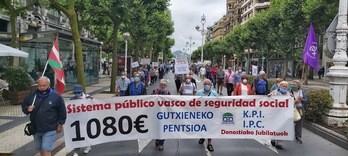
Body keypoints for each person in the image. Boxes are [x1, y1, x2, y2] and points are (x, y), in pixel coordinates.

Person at [21, 76, 67, 156]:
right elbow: (24, 107)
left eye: (44, 85)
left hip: (50, 127)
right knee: (40, 147)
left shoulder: (56, 97)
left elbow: (62, 111)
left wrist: (60, 124)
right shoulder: (32, 96)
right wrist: (27, 109)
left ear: (49, 85)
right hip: (36, 127)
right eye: (40, 85)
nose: (42, 87)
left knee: (46, 148)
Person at [267, 81, 292, 150]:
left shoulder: (288, 94)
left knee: (282, 127)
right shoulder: (274, 92)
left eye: (285, 86)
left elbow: (291, 103)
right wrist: (269, 96)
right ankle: (273, 139)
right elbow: (269, 99)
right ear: (280, 86)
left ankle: (279, 143)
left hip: (284, 114)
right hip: (275, 113)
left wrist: (292, 98)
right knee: (275, 126)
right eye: (283, 86)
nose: (284, 87)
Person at [196, 79, 218, 151]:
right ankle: (202, 137)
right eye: (206, 84)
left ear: (211, 85)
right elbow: (195, 102)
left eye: (208, 84)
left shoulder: (214, 93)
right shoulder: (199, 93)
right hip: (201, 114)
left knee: (210, 129)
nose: (207, 86)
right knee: (202, 127)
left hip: (211, 115)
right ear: (203, 85)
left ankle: (209, 144)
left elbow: (219, 103)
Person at [70, 84, 93, 156]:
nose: (77, 94)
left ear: (81, 91)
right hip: (76, 120)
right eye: (75, 93)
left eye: (78, 92)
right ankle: (76, 150)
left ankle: (88, 146)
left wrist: (92, 99)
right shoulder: (72, 99)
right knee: (77, 135)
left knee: (85, 133)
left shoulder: (87, 97)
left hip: (85, 119)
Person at [151, 79, 171, 151]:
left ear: (166, 86)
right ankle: (157, 139)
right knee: (156, 127)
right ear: (159, 85)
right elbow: (150, 100)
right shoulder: (154, 92)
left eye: (164, 85)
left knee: (163, 129)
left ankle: (161, 143)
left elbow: (170, 102)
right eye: (161, 85)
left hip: (164, 114)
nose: (163, 86)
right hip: (156, 112)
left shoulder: (168, 93)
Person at [290, 80, 308, 144]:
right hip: (291, 109)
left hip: (300, 109)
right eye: (292, 84)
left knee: (299, 123)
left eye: (294, 85)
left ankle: (298, 136)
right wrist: (294, 101)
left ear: (298, 86)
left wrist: (301, 99)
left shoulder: (302, 92)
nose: (292, 86)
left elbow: (306, 100)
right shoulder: (290, 92)